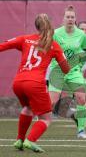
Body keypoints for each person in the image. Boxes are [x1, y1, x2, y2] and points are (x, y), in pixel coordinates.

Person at [0, 14, 70, 153]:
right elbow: (66, 69)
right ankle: (30, 140)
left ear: (36, 26)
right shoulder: (53, 45)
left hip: (18, 83)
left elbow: (3, 46)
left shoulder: (24, 39)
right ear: (50, 26)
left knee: (28, 108)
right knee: (46, 118)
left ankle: (19, 140)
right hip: (35, 83)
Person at [48, 5, 86, 139]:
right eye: (68, 17)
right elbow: (48, 51)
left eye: (72, 17)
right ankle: (38, 123)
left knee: (83, 98)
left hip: (75, 72)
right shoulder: (55, 33)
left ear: (75, 19)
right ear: (63, 18)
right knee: (51, 103)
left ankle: (81, 131)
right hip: (58, 71)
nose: (70, 19)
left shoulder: (81, 36)